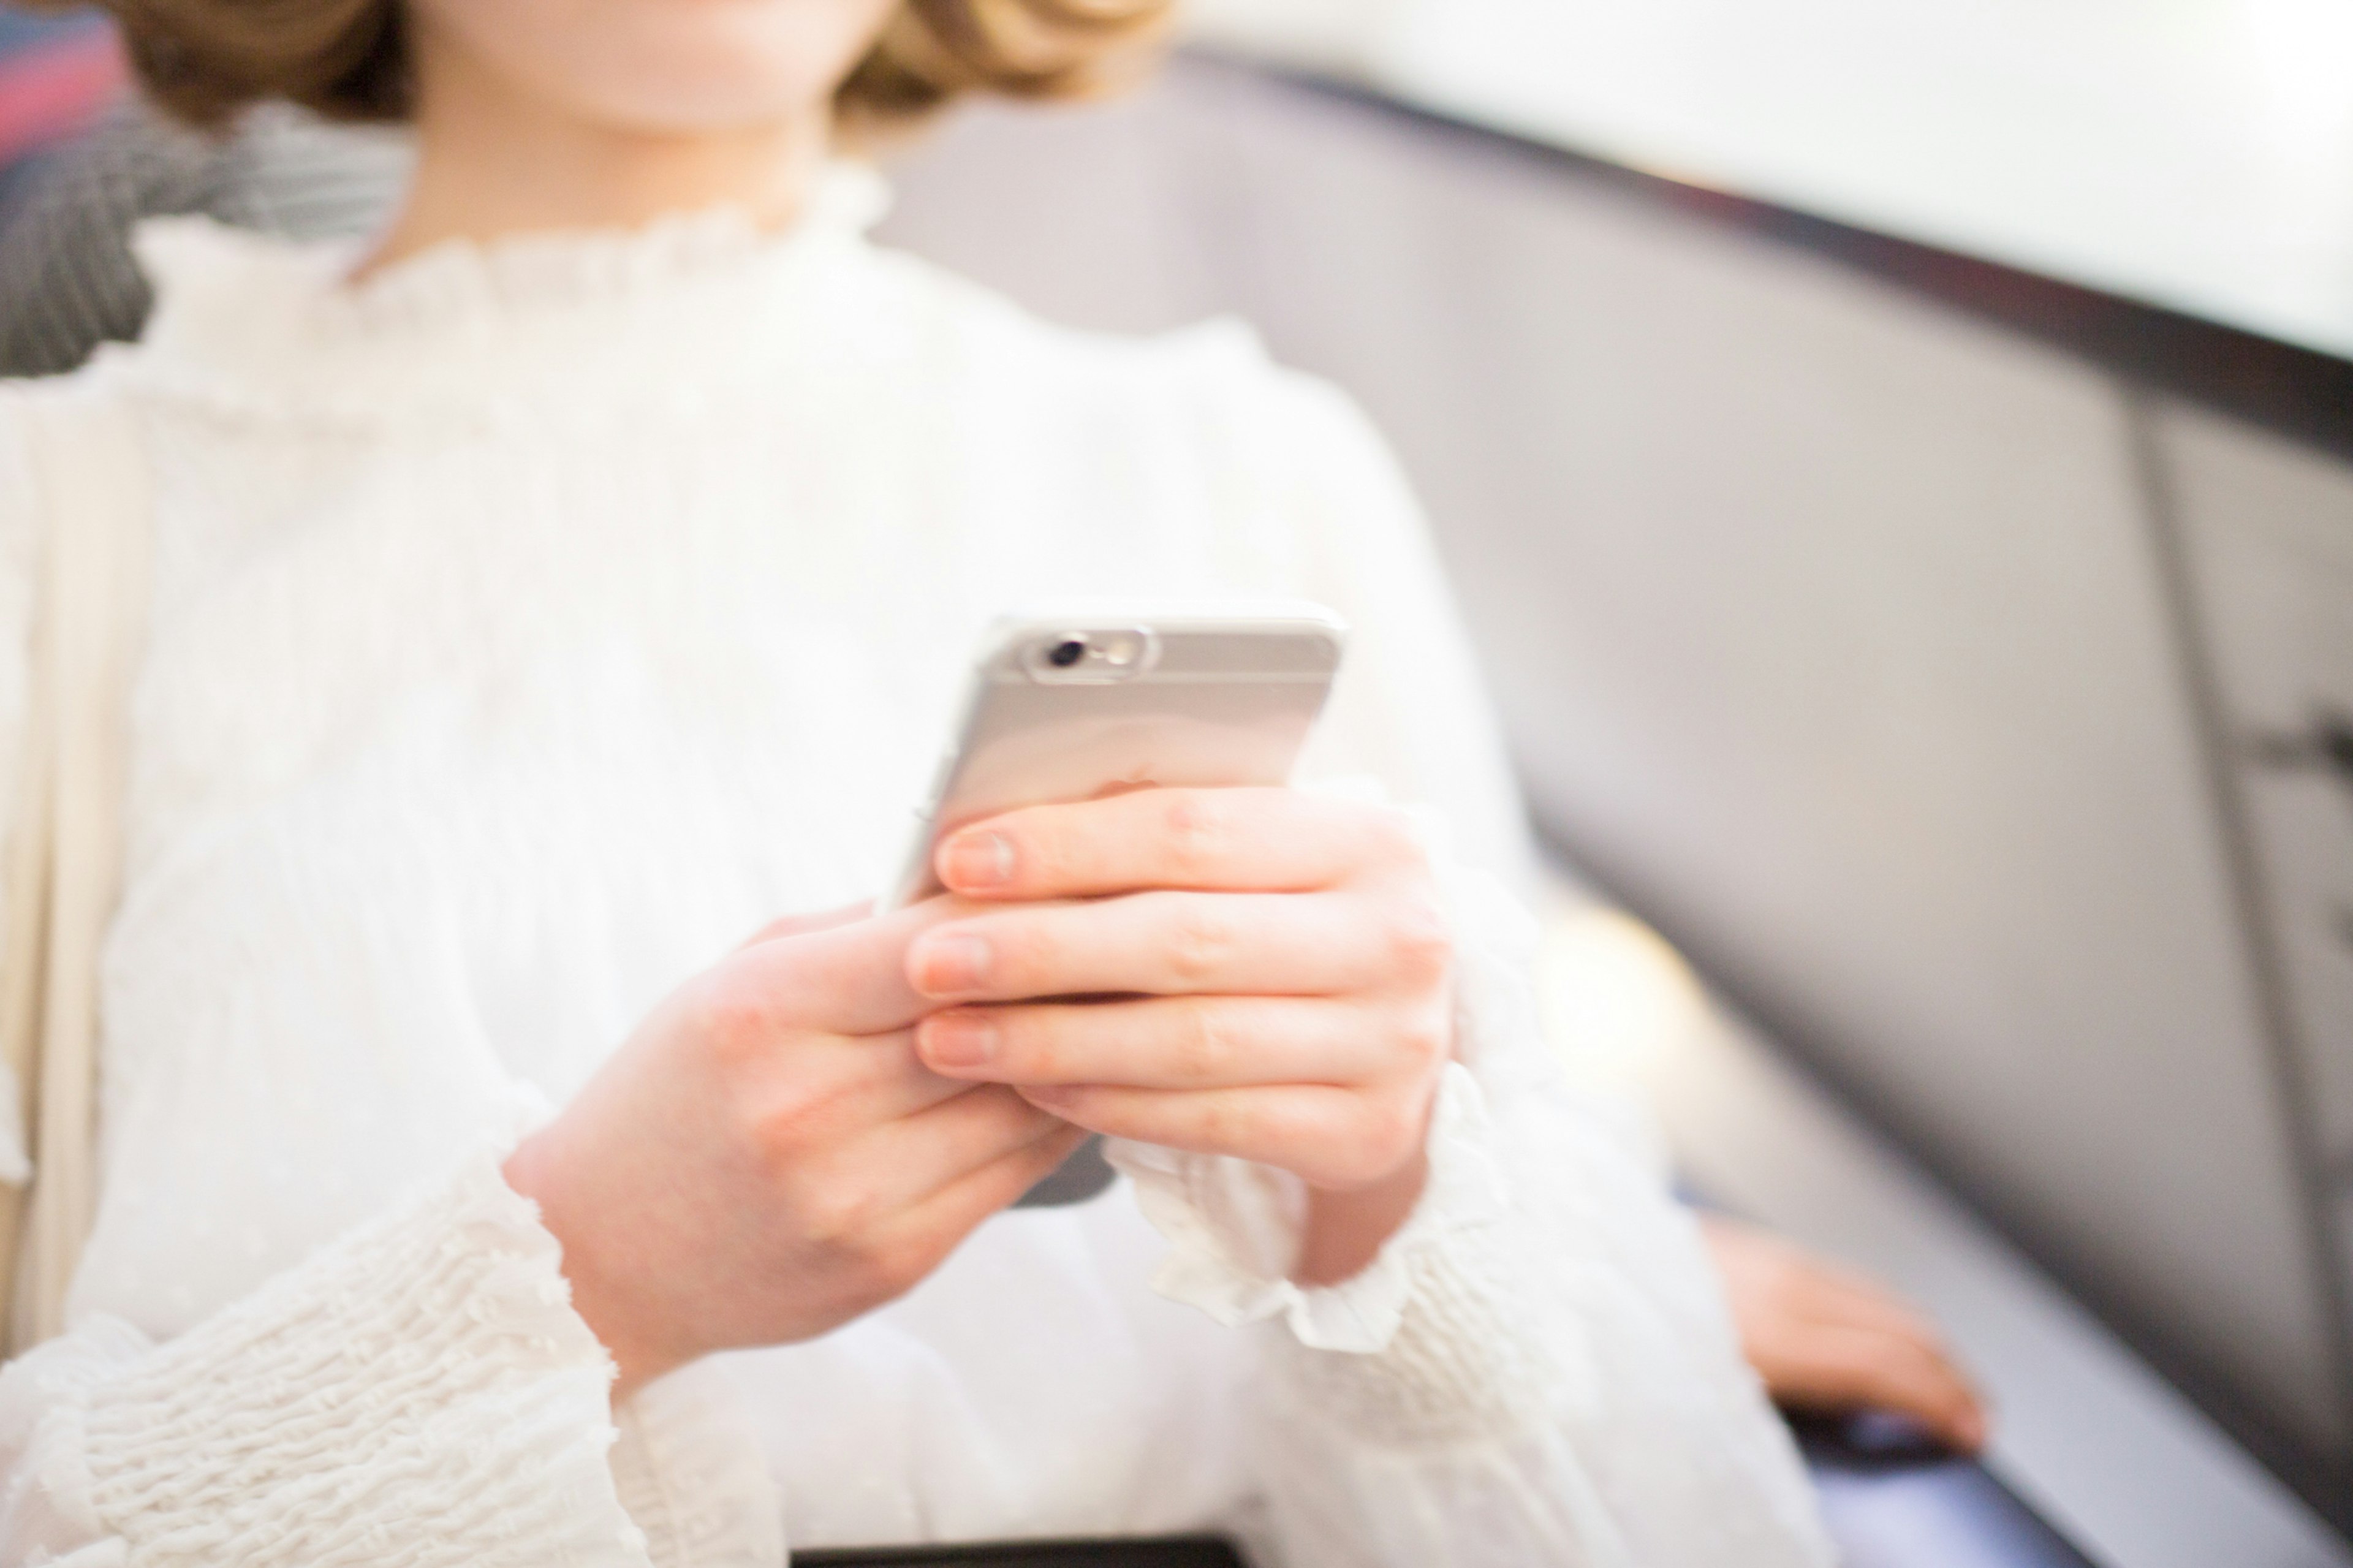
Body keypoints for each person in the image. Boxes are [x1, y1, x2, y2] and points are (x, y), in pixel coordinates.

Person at [0, 2, 1950, 1562]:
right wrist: (581, 1286)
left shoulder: (1246, 467)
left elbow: (1598, 1487)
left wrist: (1391, 1203)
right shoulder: (55, 533)